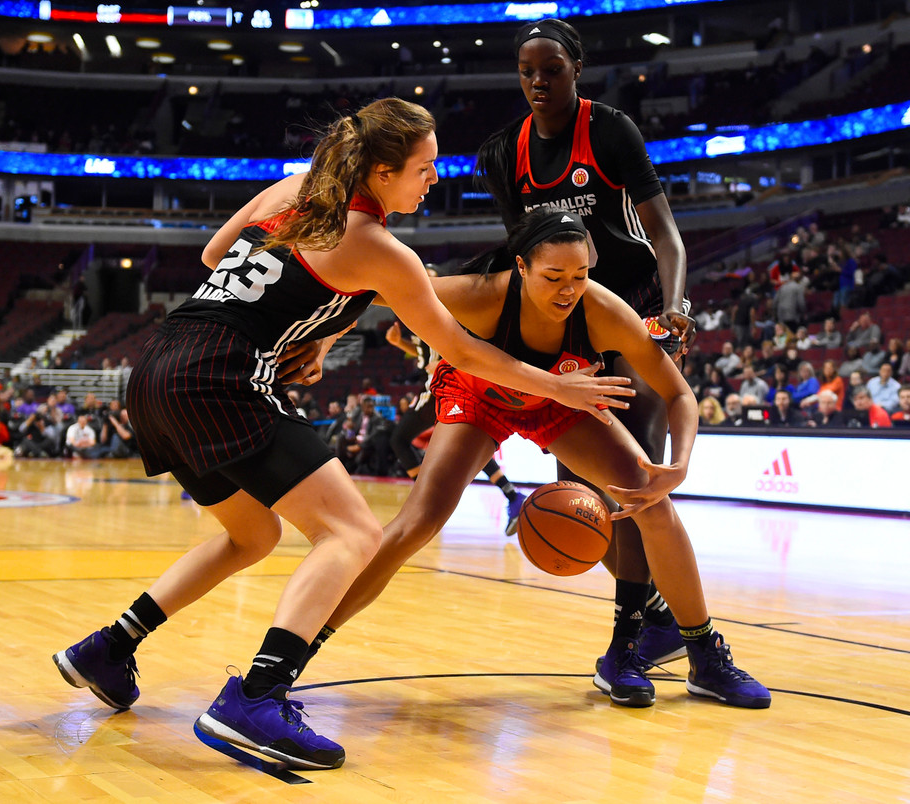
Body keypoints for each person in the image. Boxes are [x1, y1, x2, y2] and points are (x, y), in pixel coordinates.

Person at [53, 99, 637, 770]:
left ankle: (111, 647)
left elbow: (219, 253)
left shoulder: (297, 190)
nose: (433, 178)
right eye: (424, 167)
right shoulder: (378, 247)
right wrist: (560, 385)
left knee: (254, 535)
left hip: (158, 369)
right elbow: (464, 350)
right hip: (220, 377)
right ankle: (256, 696)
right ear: (383, 172)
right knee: (354, 533)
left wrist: (314, 329)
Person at [305, 210, 770, 711]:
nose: (568, 290)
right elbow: (369, 289)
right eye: (553, 277)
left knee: (649, 498)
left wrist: (679, 464)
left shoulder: (603, 311)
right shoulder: (479, 294)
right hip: (480, 394)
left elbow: (679, 395)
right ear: (522, 267)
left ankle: (704, 652)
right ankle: (297, 649)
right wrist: (319, 338)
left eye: (580, 275)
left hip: (557, 403)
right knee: (418, 522)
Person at [473, 18, 699, 670]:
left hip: (633, 316)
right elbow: (522, 257)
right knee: (582, 506)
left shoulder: (608, 130)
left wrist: (676, 308)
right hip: (565, 328)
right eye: (527, 72)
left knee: (632, 484)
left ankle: (626, 641)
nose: (538, 82)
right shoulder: (503, 153)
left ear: (576, 68)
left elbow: (666, 235)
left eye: (551, 69)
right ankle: (655, 616)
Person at [385, 320, 528, 535]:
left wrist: (447, 363)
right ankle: (513, 496)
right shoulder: (416, 312)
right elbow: (425, 352)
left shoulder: (435, 304)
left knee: (399, 439)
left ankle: (425, 500)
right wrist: (400, 343)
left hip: (443, 385)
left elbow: (463, 340)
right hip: (443, 383)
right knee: (469, 446)